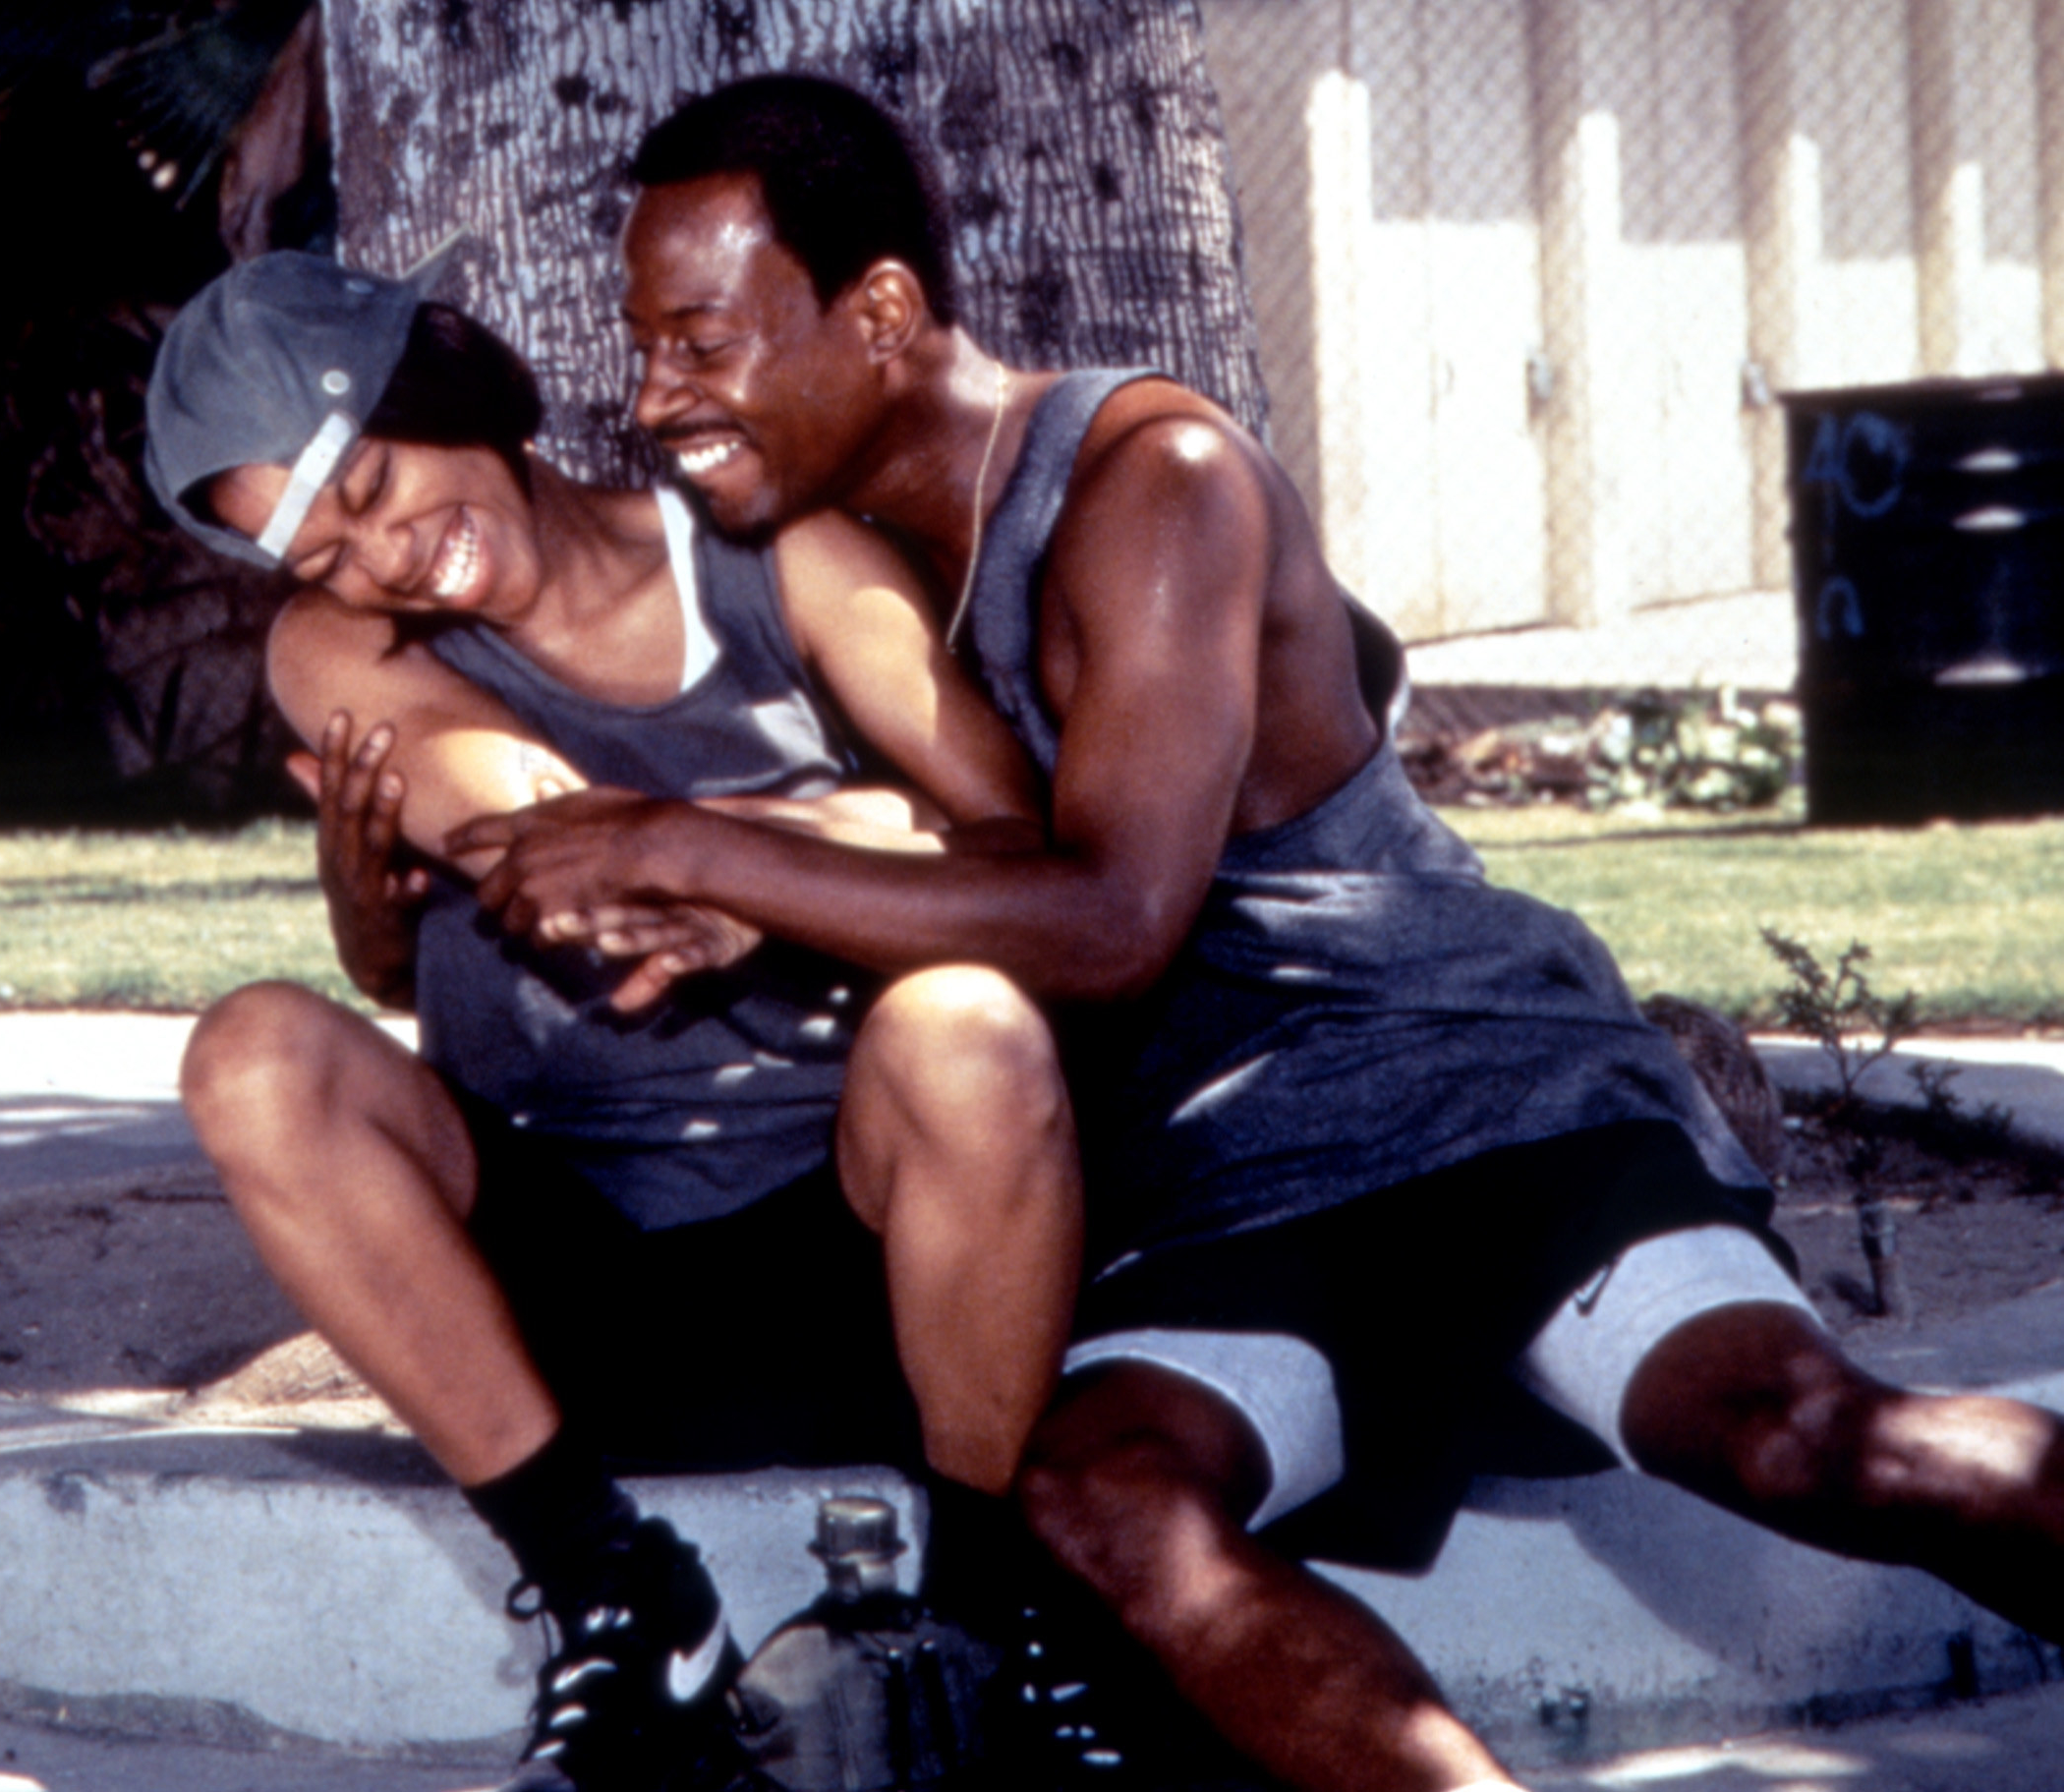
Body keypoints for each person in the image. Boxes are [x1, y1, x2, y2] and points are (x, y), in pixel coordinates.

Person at [446, 74, 2064, 1792]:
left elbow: (1118, 917)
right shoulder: (849, 565)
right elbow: (949, 854)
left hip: (1466, 1092)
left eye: (700, 343)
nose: (655, 399)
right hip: (1225, 1173)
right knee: (1105, 1498)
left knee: (1791, 1433)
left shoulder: (1158, 476)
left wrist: (695, 846)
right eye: (646, 351)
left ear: (886, 310)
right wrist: (723, 882)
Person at [143, 249, 1097, 1792]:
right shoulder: (337, 653)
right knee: (253, 1052)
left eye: (378, 478)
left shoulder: (785, 559)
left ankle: (984, 1618)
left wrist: (741, 864)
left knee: (969, 1022)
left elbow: (1025, 847)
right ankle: (620, 1598)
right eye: (321, 549)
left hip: (872, 1266)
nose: (383, 554)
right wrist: (822, 836)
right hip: (564, 1283)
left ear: (447, 382)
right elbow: (544, 841)